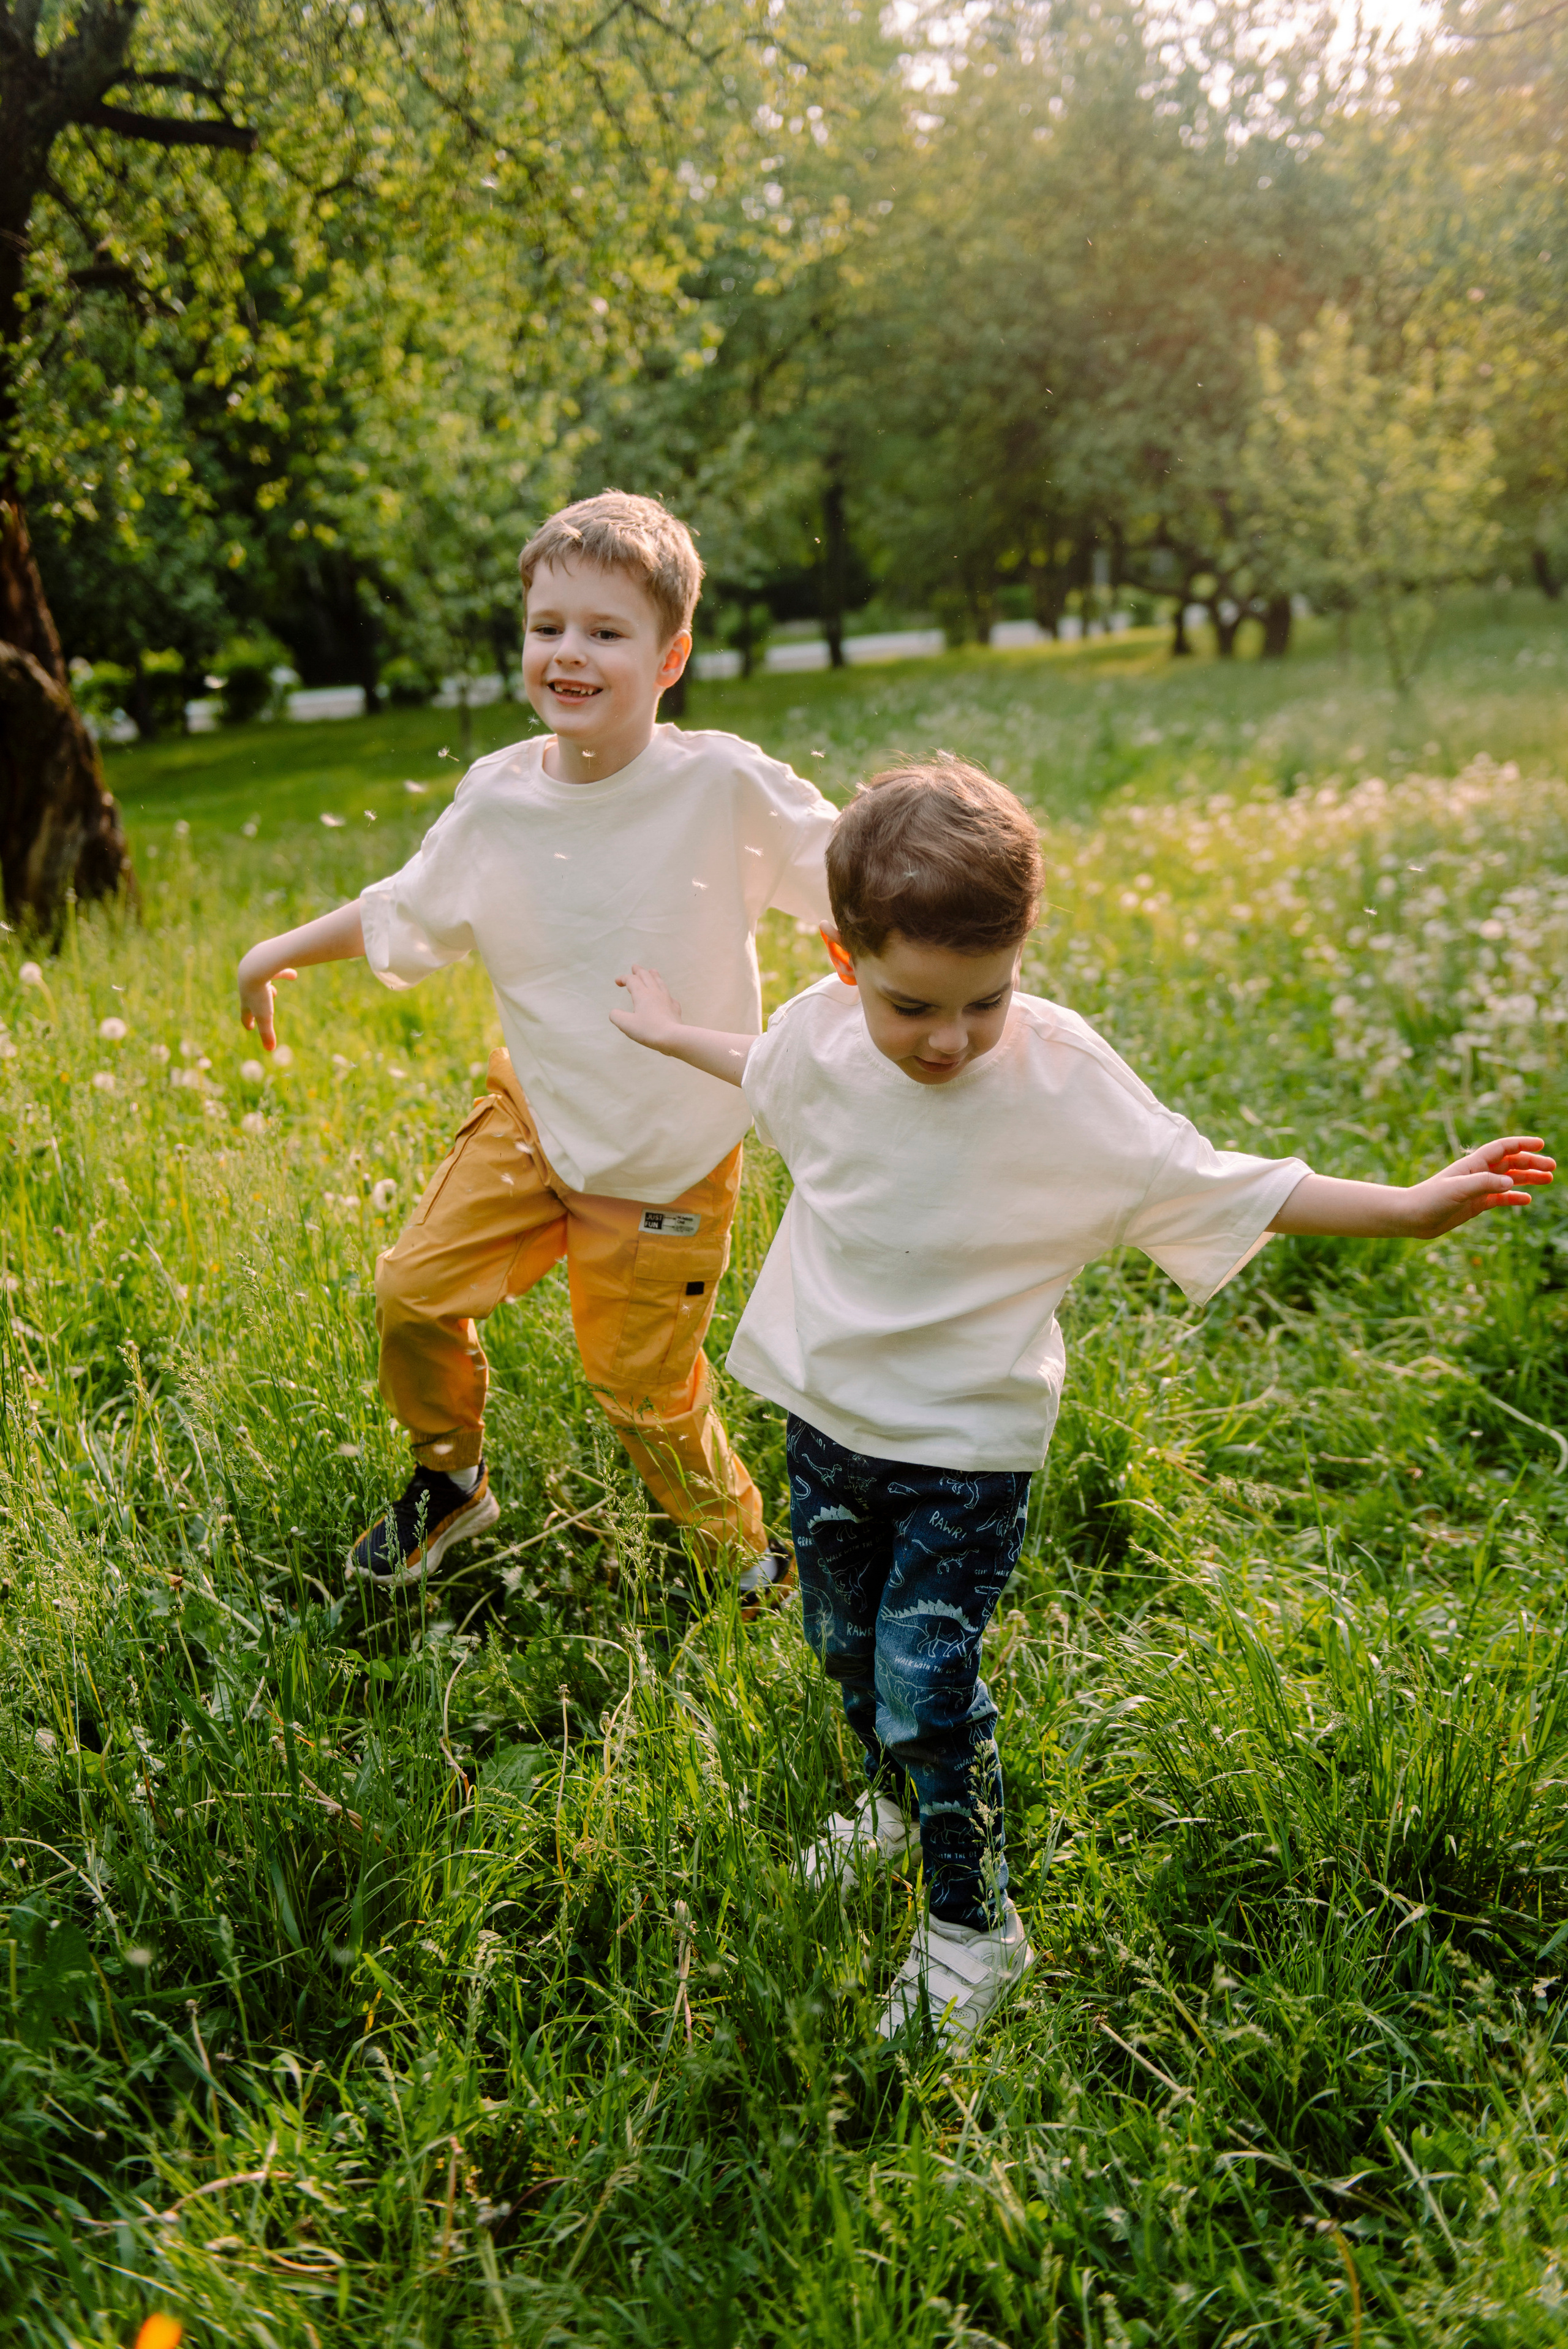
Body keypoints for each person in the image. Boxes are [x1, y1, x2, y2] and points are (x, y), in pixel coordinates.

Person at [608, 755, 1555, 2050]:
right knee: (841, 1645)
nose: (945, 1040)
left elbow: (1219, 1180)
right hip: (825, 1419)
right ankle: (893, 1800)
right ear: (840, 958)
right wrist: (669, 1032)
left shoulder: (1060, 1083)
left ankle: (970, 1925)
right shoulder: (818, 1039)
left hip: (962, 1452)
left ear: (1020, 958)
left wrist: (1400, 1208)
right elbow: (762, 1059)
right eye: (910, 1006)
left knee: (924, 1676)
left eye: (981, 1002)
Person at [236, 491, 836, 1595]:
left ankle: (747, 1560)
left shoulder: (721, 786)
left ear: (670, 657)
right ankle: (452, 1480)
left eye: (607, 632)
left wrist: (900, 946)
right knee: (413, 1292)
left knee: (642, 1393)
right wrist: (270, 951)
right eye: (548, 626)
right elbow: (402, 907)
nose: (570, 653)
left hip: (668, 1155)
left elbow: (853, 870)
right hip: (537, 1121)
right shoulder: (498, 801)